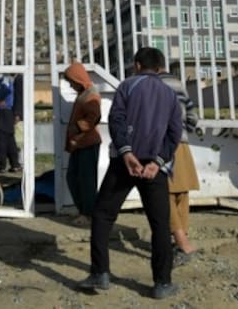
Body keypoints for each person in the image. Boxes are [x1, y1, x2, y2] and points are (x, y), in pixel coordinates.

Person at [78, 47, 182, 300]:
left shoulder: (128, 86)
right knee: (159, 225)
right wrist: (157, 162)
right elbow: (174, 132)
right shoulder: (170, 94)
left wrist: (126, 153)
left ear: (136, 65)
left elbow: (117, 119)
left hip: (124, 163)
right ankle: (162, 283)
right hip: (153, 168)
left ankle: (100, 273)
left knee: (103, 216)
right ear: (160, 68)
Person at [159, 71, 201, 266]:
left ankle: (182, 243)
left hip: (163, 143)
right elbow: (192, 115)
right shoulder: (177, 83)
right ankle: (182, 240)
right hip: (182, 142)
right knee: (181, 194)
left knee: (164, 194)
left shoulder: (150, 84)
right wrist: (186, 131)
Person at [63, 61, 102, 227]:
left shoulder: (91, 95)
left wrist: (76, 128)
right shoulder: (84, 93)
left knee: (86, 181)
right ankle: (84, 211)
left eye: (71, 82)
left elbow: (93, 118)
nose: (71, 86)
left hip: (87, 142)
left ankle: (88, 214)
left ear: (78, 79)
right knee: (73, 177)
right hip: (80, 143)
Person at [0, 75, 20, 172]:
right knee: (10, 140)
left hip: (2, 113)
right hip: (8, 113)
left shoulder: (5, 79)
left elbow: (6, 89)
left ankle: (1, 166)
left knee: (1, 141)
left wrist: (2, 101)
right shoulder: (9, 79)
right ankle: (15, 164)